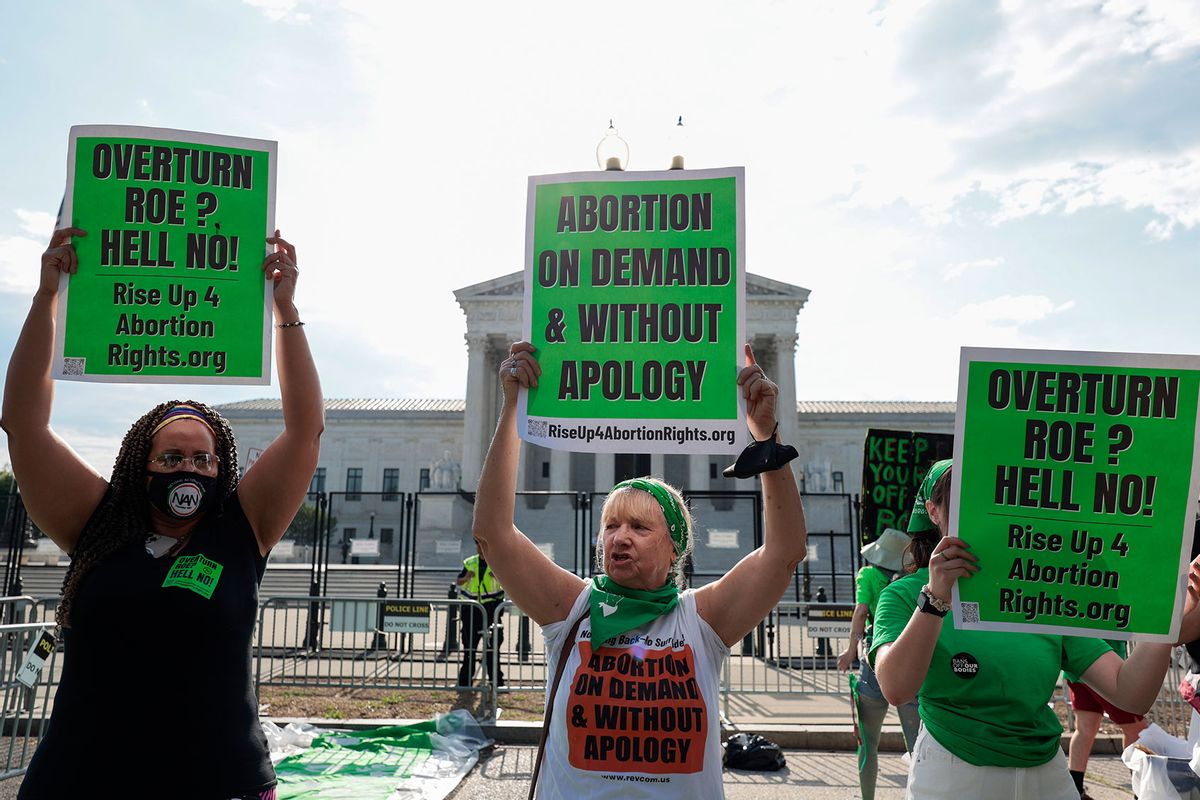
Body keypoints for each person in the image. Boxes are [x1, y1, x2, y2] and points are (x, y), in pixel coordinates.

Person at [3, 227, 323, 799]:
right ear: (139, 464)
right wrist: (47, 296)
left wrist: (286, 310)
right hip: (83, 781)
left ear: (221, 469)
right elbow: (24, 424)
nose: (190, 470)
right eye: (172, 456)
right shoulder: (96, 521)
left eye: (204, 459)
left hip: (218, 781)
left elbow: (304, 430)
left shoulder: (241, 528)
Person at [472, 341, 807, 798]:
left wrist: (767, 442)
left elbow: (784, 552)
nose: (619, 536)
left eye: (639, 526)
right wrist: (515, 408)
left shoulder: (702, 621)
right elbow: (493, 533)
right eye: (611, 525)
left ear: (675, 549)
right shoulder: (572, 609)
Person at [871, 459, 1200, 800]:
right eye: (963, 499)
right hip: (952, 772)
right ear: (933, 511)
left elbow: (1130, 692)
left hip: (1046, 774)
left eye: (992, 495)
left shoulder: (1043, 591)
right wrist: (935, 599)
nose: (981, 510)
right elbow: (896, 689)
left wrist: (1166, 616)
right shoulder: (905, 594)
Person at [837, 526, 920, 800]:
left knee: (868, 743)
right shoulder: (911, 581)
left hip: (873, 662)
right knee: (917, 747)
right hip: (907, 663)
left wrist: (850, 650)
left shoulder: (868, 575)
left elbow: (862, 611)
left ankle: (868, 798)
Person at [1063, 640, 1147, 799]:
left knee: (1085, 728)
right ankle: (1141, 790)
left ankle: (1075, 789)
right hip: (1103, 666)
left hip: (1076, 664)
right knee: (1137, 729)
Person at [456, 546, 506, 687]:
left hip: (492, 611)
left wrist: (498, 577)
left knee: (493, 649)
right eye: (478, 545)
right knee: (470, 649)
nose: (481, 548)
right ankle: (465, 682)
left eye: (483, 545)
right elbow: (458, 581)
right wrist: (466, 578)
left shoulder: (497, 563)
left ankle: (496, 682)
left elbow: (509, 583)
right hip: (471, 612)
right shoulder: (470, 562)